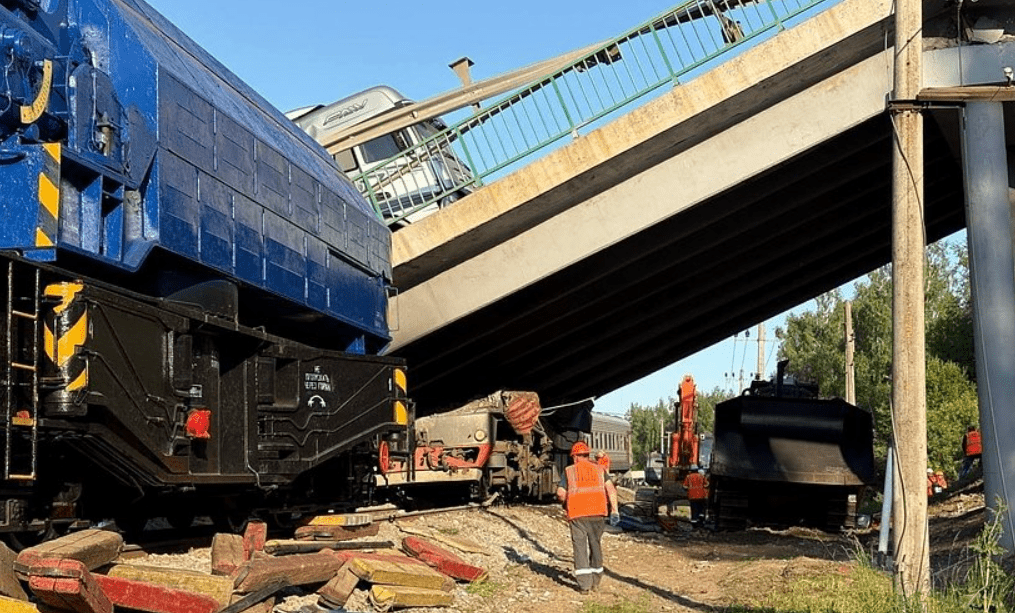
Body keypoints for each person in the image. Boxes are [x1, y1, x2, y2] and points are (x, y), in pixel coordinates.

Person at [557, 441, 619, 594]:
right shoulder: (599, 469)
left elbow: (560, 493)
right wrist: (615, 511)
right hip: (598, 513)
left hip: (577, 514)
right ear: (587, 455)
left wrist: (565, 503)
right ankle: (596, 580)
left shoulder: (569, 471)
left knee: (580, 547)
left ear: (575, 457)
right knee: (595, 545)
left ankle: (584, 585)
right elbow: (611, 489)